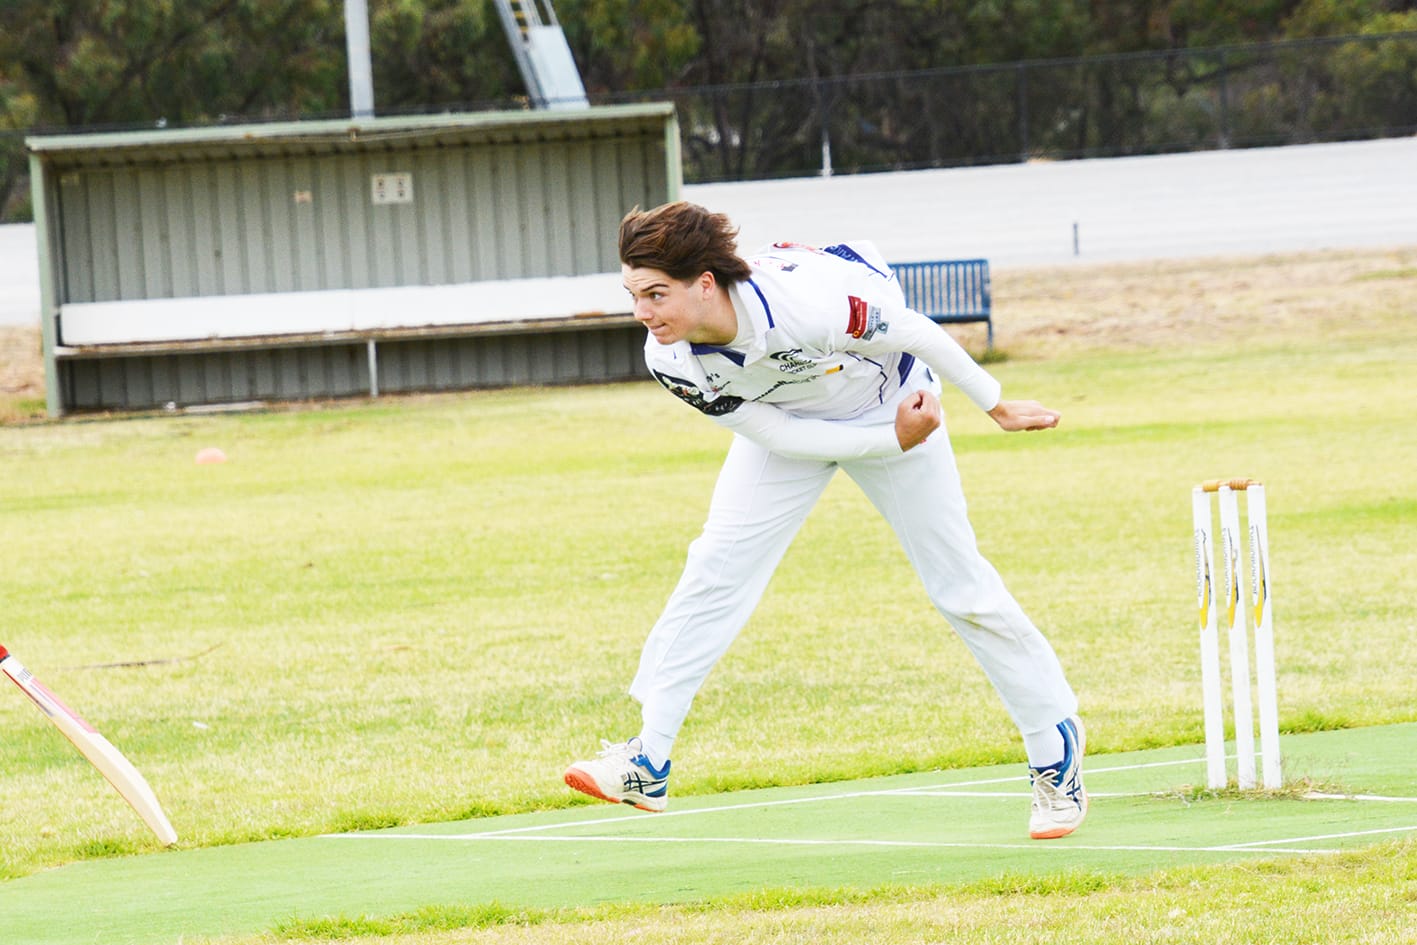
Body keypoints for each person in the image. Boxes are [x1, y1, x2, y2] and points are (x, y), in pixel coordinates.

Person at [563, 201, 1086, 839]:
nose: (642, 313)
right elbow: (780, 436)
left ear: (705, 283)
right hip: (795, 425)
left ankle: (1053, 747)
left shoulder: (803, 301)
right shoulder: (671, 359)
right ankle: (649, 758)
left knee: (960, 588)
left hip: (889, 402)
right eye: (632, 295)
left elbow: (915, 331)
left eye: (655, 294)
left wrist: (993, 404)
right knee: (714, 570)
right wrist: (889, 445)